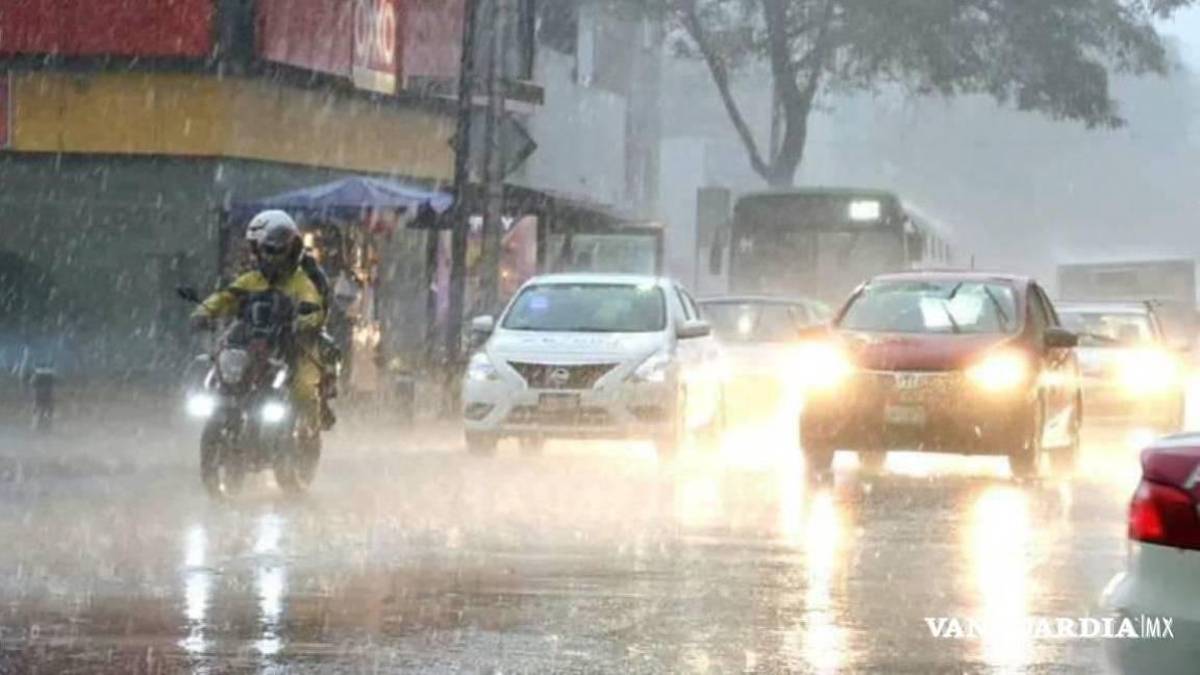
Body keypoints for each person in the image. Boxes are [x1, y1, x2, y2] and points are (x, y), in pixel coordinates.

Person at [192, 217, 326, 439]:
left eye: (279, 250)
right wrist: (203, 313)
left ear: (291, 252)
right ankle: (230, 411)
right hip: (248, 345)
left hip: (285, 344)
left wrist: (307, 320)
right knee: (218, 368)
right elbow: (225, 297)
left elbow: (313, 305)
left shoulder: (301, 283)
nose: (273, 256)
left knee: (303, 383)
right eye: (269, 250)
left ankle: (306, 430)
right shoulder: (250, 280)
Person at [244, 210, 340, 429]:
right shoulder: (255, 270)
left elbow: (321, 298)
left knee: (321, 355)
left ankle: (319, 406)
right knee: (228, 353)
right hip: (257, 328)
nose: (260, 252)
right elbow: (238, 294)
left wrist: (305, 317)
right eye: (255, 246)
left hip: (294, 331)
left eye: (266, 245)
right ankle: (230, 396)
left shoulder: (308, 269)